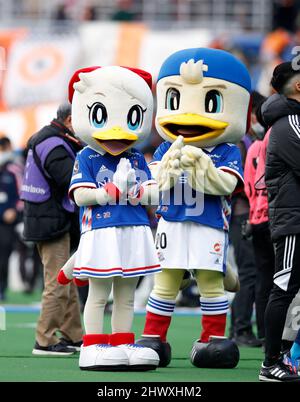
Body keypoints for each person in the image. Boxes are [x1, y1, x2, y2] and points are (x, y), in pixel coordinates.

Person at [21, 103, 83, 356]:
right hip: (51, 221)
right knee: (57, 282)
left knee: (64, 280)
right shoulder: (54, 143)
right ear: (70, 119)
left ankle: (73, 335)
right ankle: (44, 341)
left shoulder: (50, 138)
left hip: (47, 219)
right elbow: (71, 178)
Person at [258, 61, 300, 382]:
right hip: (294, 222)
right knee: (283, 288)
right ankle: (271, 362)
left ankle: (284, 357)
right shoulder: (290, 123)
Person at [244, 91, 275, 347]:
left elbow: (247, 185)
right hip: (273, 217)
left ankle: (264, 333)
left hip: (255, 218)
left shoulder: (253, 146)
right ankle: (276, 333)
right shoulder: (273, 141)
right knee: (280, 278)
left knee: (263, 277)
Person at [0, 137, 20, 301]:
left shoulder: (13, 169)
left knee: (4, 256)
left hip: (6, 222)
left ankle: (2, 289)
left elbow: (22, 194)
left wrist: (13, 210)